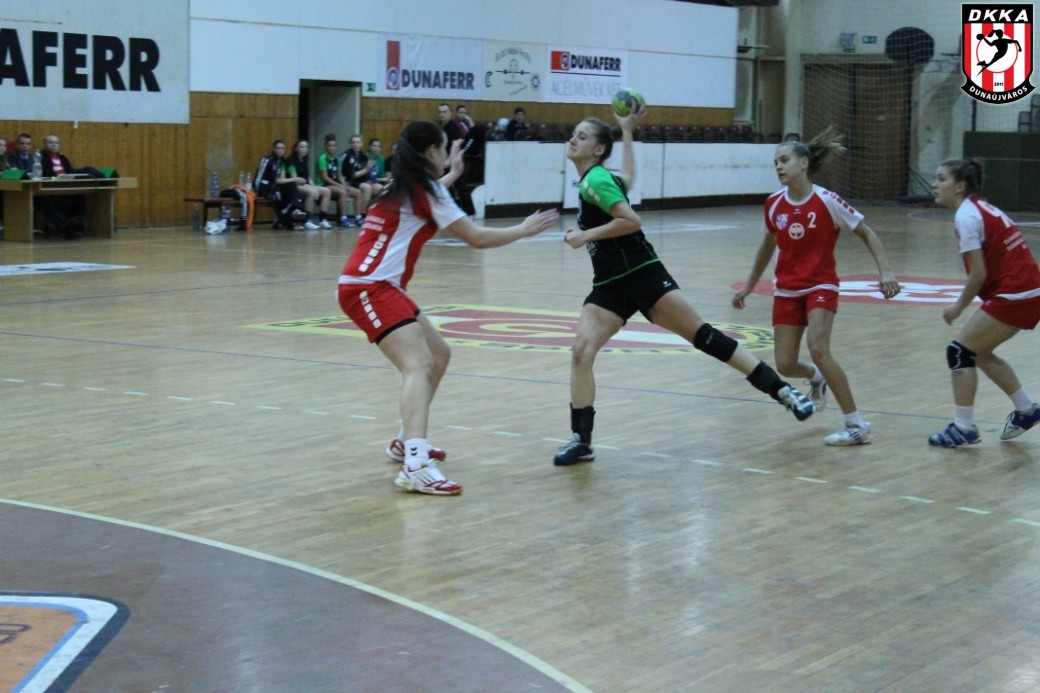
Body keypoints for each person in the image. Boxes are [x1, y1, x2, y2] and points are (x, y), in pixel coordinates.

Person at [553, 105, 815, 467]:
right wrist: (627, 131)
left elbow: (630, 220)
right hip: (610, 284)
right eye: (574, 134)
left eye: (582, 136)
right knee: (581, 352)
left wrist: (585, 235)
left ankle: (783, 391)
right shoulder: (599, 178)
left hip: (643, 274)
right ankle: (581, 441)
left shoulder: (594, 181)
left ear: (597, 149)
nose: (573, 139)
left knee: (704, 337)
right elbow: (628, 177)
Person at [337, 120, 559, 495]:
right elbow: (477, 237)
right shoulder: (425, 189)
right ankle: (416, 465)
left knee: (438, 354)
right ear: (431, 152)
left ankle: (405, 441)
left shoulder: (403, 184)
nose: (446, 154)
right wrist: (523, 229)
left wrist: (453, 173)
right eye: (443, 149)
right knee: (418, 364)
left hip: (377, 285)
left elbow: (431, 198)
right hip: (368, 288)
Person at [731, 129, 901, 446]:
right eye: (775, 162)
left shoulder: (827, 201)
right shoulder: (773, 204)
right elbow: (767, 246)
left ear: (804, 163)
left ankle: (857, 425)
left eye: (784, 160)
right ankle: (816, 377)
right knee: (785, 364)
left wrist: (885, 270)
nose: (779, 166)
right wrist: (750, 286)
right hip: (787, 289)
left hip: (820, 285)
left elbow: (866, 232)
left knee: (819, 349)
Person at [926, 159, 1040, 447]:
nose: (934, 184)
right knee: (980, 353)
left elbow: (979, 273)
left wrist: (957, 307)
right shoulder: (977, 208)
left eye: (941, 179)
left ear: (960, 186)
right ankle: (1027, 410)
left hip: (1017, 291)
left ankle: (963, 428)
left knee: (959, 352)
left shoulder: (967, 216)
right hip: (1026, 289)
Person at [38, 135, 90, 238]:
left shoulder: (62, 157)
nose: (53, 145)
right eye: (50, 142)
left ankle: (77, 224)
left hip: (65, 186)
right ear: (45, 144)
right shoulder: (40, 157)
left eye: (56, 143)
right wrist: (57, 178)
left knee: (80, 195)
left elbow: (70, 170)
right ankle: (67, 228)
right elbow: (44, 173)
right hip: (48, 188)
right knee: (46, 201)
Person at [255, 139, 313, 229]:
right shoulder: (268, 160)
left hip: (275, 187)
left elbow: (282, 179)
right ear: (274, 149)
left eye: (282, 148)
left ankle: (293, 216)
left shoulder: (282, 162)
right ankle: (293, 215)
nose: (280, 150)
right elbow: (273, 180)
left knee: (289, 188)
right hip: (264, 187)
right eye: (278, 148)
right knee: (281, 194)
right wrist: (295, 179)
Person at [315, 134, 363, 227]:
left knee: (358, 192)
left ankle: (358, 217)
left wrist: (345, 185)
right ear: (326, 147)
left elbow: (340, 175)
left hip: (335, 185)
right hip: (323, 185)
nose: (332, 148)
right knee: (342, 192)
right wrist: (340, 186)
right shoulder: (322, 158)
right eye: (330, 145)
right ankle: (343, 218)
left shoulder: (337, 159)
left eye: (334, 145)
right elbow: (325, 177)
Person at [436, 104, 475, 215]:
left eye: (444, 112)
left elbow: (456, 147)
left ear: (449, 113)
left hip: (454, 161)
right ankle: (451, 212)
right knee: (445, 188)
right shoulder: (438, 128)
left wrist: (449, 161)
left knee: (461, 187)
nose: (442, 114)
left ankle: (470, 212)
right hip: (443, 162)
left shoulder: (454, 128)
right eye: (440, 112)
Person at [287, 140, 333, 229]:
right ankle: (307, 220)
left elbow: (307, 177)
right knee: (312, 192)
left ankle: (322, 219)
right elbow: (295, 179)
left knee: (327, 191)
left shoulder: (304, 160)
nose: (304, 149)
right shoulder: (291, 161)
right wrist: (310, 187)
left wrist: (313, 185)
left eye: (306, 147)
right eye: (302, 147)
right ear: (296, 148)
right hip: (294, 186)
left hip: (304, 184)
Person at [342, 134, 382, 223]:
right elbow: (351, 175)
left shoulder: (363, 156)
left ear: (362, 144)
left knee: (378, 188)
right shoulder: (348, 155)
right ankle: (361, 215)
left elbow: (366, 173)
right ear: (350, 144)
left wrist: (370, 172)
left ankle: (373, 213)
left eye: (358, 142)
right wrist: (366, 169)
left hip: (362, 180)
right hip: (350, 182)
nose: (356, 145)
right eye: (353, 143)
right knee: (367, 187)